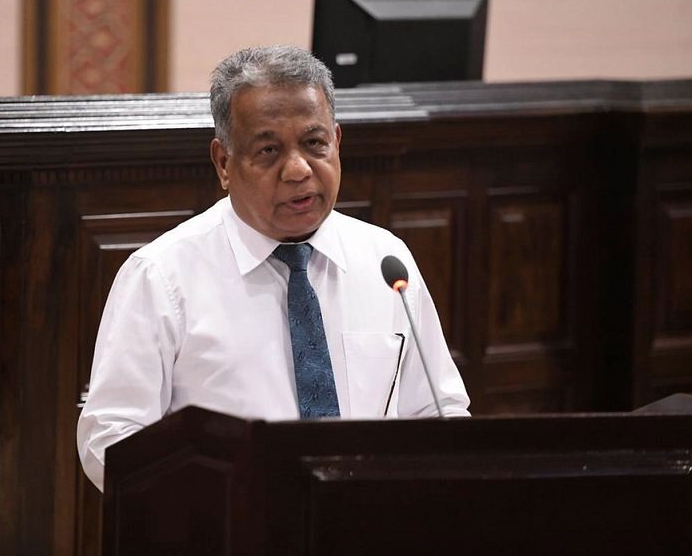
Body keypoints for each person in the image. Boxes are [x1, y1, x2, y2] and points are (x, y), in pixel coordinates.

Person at [78, 45, 470, 491]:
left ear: (337, 142)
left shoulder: (385, 261)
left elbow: (438, 411)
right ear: (224, 163)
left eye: (314, 143)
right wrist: (205, 507)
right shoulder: (162, 276)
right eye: (268, 150)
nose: (298, 170)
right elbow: (110, 438)